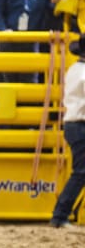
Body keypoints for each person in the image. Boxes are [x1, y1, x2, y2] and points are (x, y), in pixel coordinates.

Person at [50, 34, 85, 228]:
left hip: (74, 123)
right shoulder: (83, 73)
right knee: (81, 172)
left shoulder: (75, 70)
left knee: (81, 171)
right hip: (80, 124)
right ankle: (60, 213)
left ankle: (61, 213)